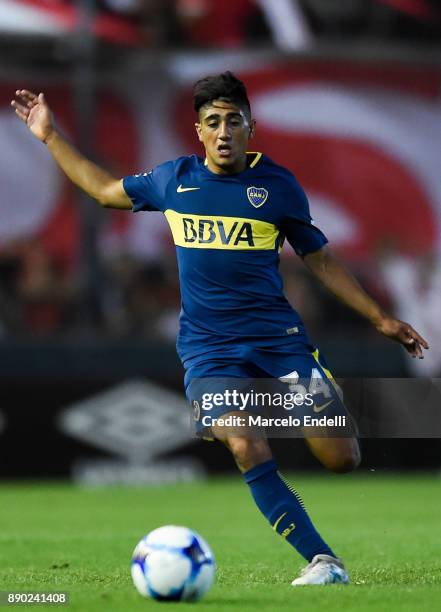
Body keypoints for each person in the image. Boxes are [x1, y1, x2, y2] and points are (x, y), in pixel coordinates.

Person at [11, 73, 428, 586]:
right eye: (214, 122)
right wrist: (51, 135)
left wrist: (380, 318)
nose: (224, 130)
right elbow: (102, 190)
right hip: (209, 350)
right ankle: (323, 560)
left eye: (234, 120)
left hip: (279, 342)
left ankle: (320, 399)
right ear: (199, 131)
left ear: (250, 127)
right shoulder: (173, 180)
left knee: (341, 458)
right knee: (244, 441)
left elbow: (318, 260)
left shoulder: (276, 186)